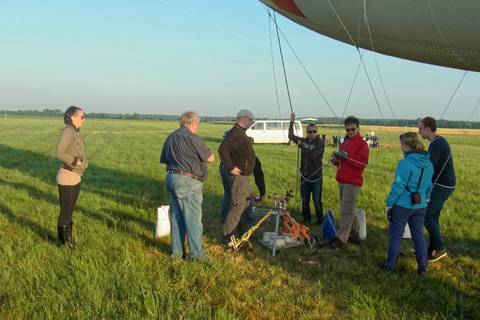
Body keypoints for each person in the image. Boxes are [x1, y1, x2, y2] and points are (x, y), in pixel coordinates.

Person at [160, 111, 215, 260]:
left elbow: (164, 158)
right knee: (193, 219)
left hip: (172, 178)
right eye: (198, 124)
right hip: (188, 181)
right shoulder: (193, 138)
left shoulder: (171, 137)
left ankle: (176, 253)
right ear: (194, 123)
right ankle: (196, 254)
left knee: (177, 217)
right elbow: (210, 158)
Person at [381, 132, 433, 273]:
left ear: (406, 146)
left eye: (401, 144)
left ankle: (390, 265)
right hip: (421, 204)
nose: (400, 147)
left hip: (403, 204)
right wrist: (426, 199)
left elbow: (399, 186)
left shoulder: (405, 163)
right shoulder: (428, 162)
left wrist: (389, 203)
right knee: (418, 236)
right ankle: (423, 267)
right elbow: (429, 185)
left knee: (396, 235)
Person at [419, 116, 456, 262]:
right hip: (440, 184)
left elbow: (428, 166)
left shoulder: (437, 144)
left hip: (444, 185)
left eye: (420, 128)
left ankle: (439, 248)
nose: (419, 131)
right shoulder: (436, 142)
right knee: (433, 216)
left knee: (426, 215)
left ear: (428, 129)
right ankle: (434, 247)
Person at [330, 116, 369, 248]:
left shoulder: (362, 144)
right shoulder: (344, 142)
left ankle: (341, 238)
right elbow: (340, 163)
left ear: (358, 128)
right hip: (342, 179)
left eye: (353, 129)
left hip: (353, 181)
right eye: (348, 129)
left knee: (346, 210)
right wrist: (335, 158)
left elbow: (362, 163)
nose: (350, 131)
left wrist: (346, 156)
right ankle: (355, 235)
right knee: (347, 208)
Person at [219, 109, 256, 244]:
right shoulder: (236, 133)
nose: (251, 123)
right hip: (239, 178)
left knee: (245, 204)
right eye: (251, 120)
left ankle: (243, 233)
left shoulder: (240, 133)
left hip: (244, 177)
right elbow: (223, 149)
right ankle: (227, 237)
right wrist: (231, 167)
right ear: (244, 119)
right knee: (238, 206)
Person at [55, 106, 88, 245]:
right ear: (72, 117)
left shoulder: (75, 132)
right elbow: (60, 153)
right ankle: (63, 244)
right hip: (67, 177)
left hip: (75, 177)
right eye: (81, 116)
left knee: (69, 210)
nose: (84, 119)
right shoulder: (68, 132)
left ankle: (68, 240)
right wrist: (76, 161)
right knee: (66, 212)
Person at [289, 113, 325, 224]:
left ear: (317, 132)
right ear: (307, 132)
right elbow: (291, 136)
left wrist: (301, 145)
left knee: (317, 200)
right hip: (304, 176)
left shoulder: (320, 143)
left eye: (314, 131)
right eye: (310, 132)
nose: (312, 134)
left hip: (316, 177)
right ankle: (306, 219)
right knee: (305, 200)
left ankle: (320, 220)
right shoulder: (303, 140)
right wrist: (291, 122)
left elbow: (312, 154)